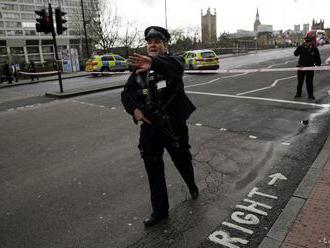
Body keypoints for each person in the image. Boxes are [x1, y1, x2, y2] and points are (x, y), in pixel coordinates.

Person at [121, 26, 199, 227]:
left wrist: (153, 62)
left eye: (157, 41)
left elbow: (178, 65)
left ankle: (191, 184)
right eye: (149, 42)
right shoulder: (138, 71)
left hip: (173, 127)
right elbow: (126, 95)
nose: (152, 45)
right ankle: (160, 211)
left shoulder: (171, 63)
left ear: (165, 45)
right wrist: (135, 111)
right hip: (150, 128)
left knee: (182, 160)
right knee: (153, 169)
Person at [294, 31, 321, 100]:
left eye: (308, 41)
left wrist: (318, 66)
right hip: (301, 67)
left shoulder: (314, 48)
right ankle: (298, 94)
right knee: (300, 82)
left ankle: (310, 95)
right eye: (306, 41)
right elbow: (295, 54)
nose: (306, 42)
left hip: (310, 68)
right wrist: (299, 46)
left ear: (311, 41)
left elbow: (317, 58)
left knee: (309, 82)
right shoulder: (301, 47)